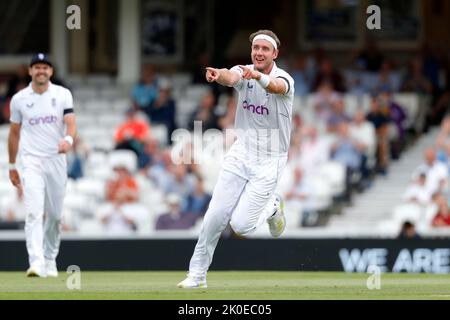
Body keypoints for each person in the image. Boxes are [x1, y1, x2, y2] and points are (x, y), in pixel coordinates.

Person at [177, 30, 294, 289]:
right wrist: (220, 75)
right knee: (214, 216)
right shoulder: (244, 71)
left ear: (275, 53)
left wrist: (259, 77)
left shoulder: (283, 78)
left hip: (270, 159)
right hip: (241, 152)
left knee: (241, 226)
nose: (259, 52)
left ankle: (273, 207)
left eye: (265, 48)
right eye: (256, 48)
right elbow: (232, 77)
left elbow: (277, 87)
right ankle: (197, 275)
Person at [8, 53, 77, 277]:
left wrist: (68, 140)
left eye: (45, 68)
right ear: (30, 71)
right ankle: (36, 262)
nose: (41, 71)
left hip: (56, 159)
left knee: (55, 215)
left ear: (51, 72)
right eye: (37, 67)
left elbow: (71, 123)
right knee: (34, 212)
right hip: (31, 161)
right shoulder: (19, 99)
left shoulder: (62, 94)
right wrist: (11, 165)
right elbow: (14, 133)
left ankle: (49, 258)